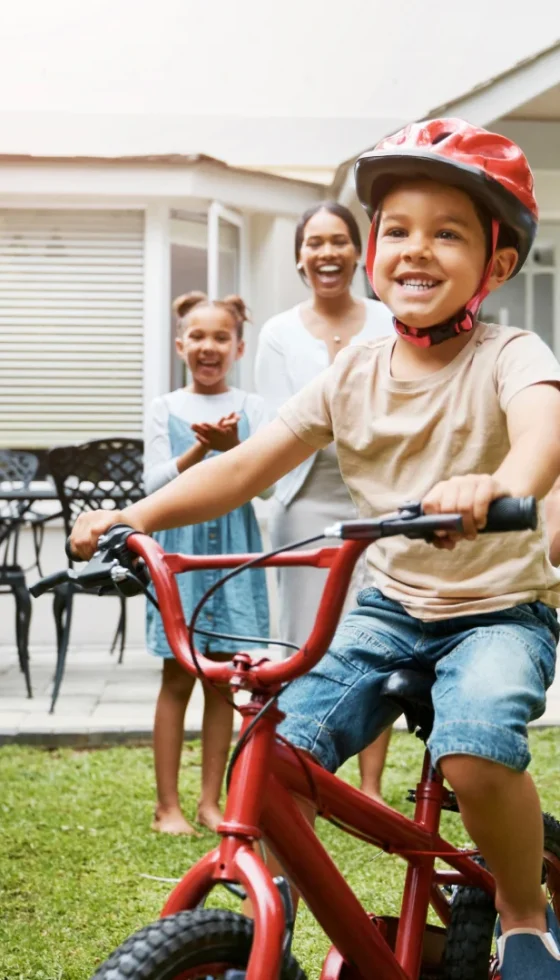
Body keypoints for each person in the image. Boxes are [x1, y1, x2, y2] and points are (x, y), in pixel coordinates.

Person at [70, 119, 560, 978]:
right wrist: (138, 517)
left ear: (497, 266)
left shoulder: (509, 354)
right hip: (389, 607)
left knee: (477, 745)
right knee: (278, 760)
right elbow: (250, 465)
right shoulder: (355, 369)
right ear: (374, 252)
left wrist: (496, 483)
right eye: (398, 230)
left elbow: (542, 433)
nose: (416, 249)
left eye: (448, 232)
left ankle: (524, 913)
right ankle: (314, 926)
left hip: (495, 612)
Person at [255, 201, 393, 800]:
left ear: (357, 252)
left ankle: (367, 784)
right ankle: (300, 769)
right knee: (302, 640)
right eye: (315, 243)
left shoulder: (390, 320)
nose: (327, 253)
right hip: (304, 502)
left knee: (378, 630)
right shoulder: (279, 333)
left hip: (379, 503)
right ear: (299, 257)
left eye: (338, 241)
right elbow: (274, 425)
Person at [143, 291, 270, 835]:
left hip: (233, 556)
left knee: (226, 681)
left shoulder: (254, 407)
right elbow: (150, 485)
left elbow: (267, 485)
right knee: (178, 676)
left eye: (220, 337)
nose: (208, 346)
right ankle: (166, 805)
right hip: (182, 555)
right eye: (197, 336)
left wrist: (236, 444)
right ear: (180, 345)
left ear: (238, 347)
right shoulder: (165, 408)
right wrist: (201, 450)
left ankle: (210, 803)